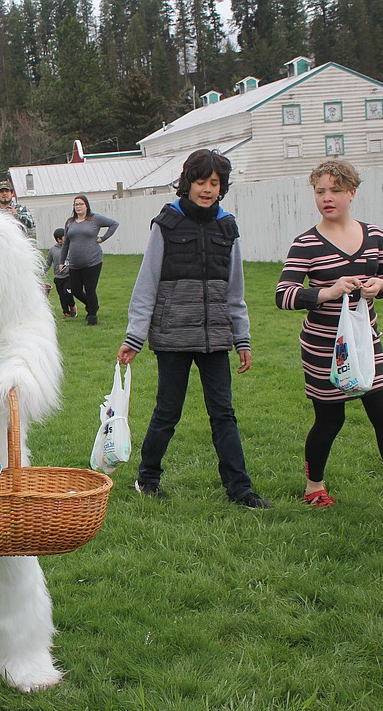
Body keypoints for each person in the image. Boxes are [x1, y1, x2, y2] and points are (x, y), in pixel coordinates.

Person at [276, 159, 383, 520]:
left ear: (352, 192)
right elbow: (284, 294)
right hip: (324, 349)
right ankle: (314, 489)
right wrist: (328, 291)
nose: (327, 197)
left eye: (335, 190)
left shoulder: (374, 235)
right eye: (320, 191)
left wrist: (380, 285)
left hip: (366, 344)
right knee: (330, 421)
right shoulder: (305, 243)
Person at [117, 149, 271, 509]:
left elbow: (236, 290)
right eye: (201, 181)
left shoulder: (228, 226)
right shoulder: (166, 223)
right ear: (187, 183)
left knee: (223, 413)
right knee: (167, 411)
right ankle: (148, 479)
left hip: (215, 338)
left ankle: (240, 489)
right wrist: (134, 337)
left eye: (214, 183)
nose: (207, 189)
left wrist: (241, 337)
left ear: (222, 187)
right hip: (172, 337)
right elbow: (146, 284)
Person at [62, 194, 119, 326]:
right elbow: (66, 243)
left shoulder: (94, 219)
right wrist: (61, 261)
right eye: (76, 204)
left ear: (86, 206)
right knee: (75, 290)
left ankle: (92, 316)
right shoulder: (70, 222)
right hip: (75, 263)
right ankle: (92, 305)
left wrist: (103, 238)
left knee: (90, 289)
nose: (78, 207)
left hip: (92, 261)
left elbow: (114, 224)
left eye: (80, 204)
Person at [44, 228, 76, 318]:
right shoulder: (53, 250)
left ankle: (72, 306)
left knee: (67, 293)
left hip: (69, 276)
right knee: (62, 296)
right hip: (58, 277)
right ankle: (66, 312)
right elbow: (48, 263)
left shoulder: (71, 247)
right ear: (59, 239)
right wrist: (42, 272)